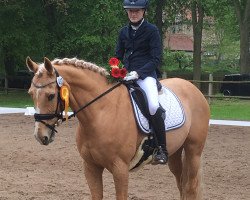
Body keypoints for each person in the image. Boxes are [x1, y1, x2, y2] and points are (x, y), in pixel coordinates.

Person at [115, 0, 168, 165]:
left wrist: (138, 73)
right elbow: (117, 55)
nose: (133, 14)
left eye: (136, 10)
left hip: (146, 76)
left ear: (143, 11)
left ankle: (162, 149)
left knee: (153, 105)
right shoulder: (123, 32)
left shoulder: (152, 31)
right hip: (126, 76)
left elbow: (156, 59)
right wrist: (115, 69)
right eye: (130, 11)